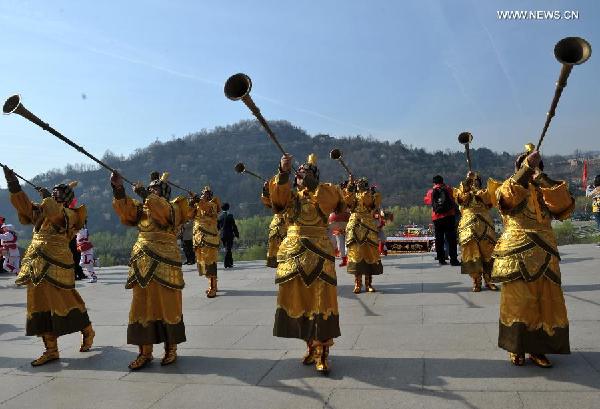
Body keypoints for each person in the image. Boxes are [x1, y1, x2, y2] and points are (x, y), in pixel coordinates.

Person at [491, 145, 574, 368]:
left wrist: (542, 178)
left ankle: (539, 348)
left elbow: (564, 205)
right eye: (525, 166)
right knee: (518, 302)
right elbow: (508, 199)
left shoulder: (545, 189)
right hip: (517, 252)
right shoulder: (507, 188)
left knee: (545, 302)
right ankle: (516, 346)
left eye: (536, 167)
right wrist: (526, 167)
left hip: (546, 253)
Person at [3, 167, 94, 366]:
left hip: (57, 262)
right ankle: (51, 350)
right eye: (52, 191)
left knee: (65, 299)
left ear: (67, 197)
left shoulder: (71, 214)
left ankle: (86, 328)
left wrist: (47, 199)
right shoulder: (45, 209)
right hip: (36, 262)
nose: (54, 194)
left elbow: (55, 213)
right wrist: (13, 184)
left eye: (58, 192)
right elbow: (25, 207)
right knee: (38, 304)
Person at [269, 153, 343, 375]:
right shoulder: (292, 196)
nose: (302, 177)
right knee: (300, 301)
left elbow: (334, 203)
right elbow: (277, 201)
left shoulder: (325, 191)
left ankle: (323, 351)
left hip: (319, 252)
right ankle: (310, 345)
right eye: (300, 174)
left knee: (321, 301)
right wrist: (282, 171)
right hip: (294, 252)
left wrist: (312, 183)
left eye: (307, 174)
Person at [111, 171, 192, 370]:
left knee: (168, 304)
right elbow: (127, 212)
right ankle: (144, 352)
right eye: (150, 189)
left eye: (156, 189)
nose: (152, 192)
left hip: (165, 259)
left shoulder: (174, 208)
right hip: (142, 260)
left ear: (164, 192)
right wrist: (119, 189)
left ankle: (170, 348)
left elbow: (163, 212)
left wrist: (147, 196)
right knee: (141, 304)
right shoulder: (142, 207)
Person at [454, 171, 498, 292]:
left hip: (485, 224)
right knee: (471, 252)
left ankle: (489, 280)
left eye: (476, 180)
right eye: (472, 180)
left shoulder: (484, 192)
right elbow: (460, 200)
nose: (474, 182)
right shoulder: (462, 191)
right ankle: (476, 281)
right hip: (468, 224)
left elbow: (490, 202)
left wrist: (479, 194)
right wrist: (467, 183)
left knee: (488, 252)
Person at [343, 177, 383, 293]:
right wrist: (350, 186)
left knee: (369, 253)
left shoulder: (371, 194)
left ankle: (368, 283)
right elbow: (347, 202)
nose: (360, 186)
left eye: (363, 184)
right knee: (356, 253)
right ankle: (357, 283)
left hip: (368, 224)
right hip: (355, 224)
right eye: (359, 184)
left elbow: (370, 203)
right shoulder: (353, 194)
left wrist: (366, 193)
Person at [191, 186, 221, 298]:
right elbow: (189, 215)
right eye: (204, 193)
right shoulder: (198, 205)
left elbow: (206, 207)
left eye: (208, 194)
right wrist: (191, 203)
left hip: (210, 238)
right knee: (203, 262)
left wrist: (198, 200)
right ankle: (213, 284)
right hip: (199, 238)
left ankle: (212, 288)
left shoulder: (212, 205)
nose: (205, 195)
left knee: (210, 263)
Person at [424, 175, 460, 266]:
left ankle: (441, 259)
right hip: (449, 216)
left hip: (437, 217)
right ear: (443, 181)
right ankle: (454, 260)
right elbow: (454, 199)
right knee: (451, 239)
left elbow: (427, 201)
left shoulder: (431, 191)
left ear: (434, 182)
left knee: (439, 239)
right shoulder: (448, 189)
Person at [261, 182, 289, 268]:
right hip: (277, 225)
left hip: (289, 224)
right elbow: (268, 202)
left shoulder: (292, 195)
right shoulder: (274, 195)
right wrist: (266, 190)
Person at [218, 203, 239, 268]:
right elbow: (234, 226)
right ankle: (226, 263)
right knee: (228, 249)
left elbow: (217, 227)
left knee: (227, 249)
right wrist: (236, 234)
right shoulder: (230, 216)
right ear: (228, 208)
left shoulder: (220, 217)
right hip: (229, 235)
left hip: (222, 235)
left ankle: (230, 263)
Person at [586, 175, 600, 246]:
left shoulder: (595, 189)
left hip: (597, 208)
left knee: (599, 225)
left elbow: (588, 195)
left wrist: (588, 189)